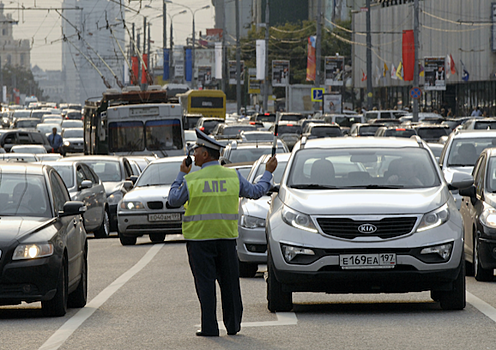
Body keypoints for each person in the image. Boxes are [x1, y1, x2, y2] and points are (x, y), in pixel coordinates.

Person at [168, 128, 278, 337]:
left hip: (199, 240)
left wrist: (181, 173)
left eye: (196, 150)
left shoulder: (192, 180)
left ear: (205, 154)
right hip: (226, 239)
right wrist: (268, 172)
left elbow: (173, 200)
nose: (193, 154)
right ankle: (233, 325)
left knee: (205, 284)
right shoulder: (232, 176)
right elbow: (256, 192)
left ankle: (210, 327)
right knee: (230, 283)